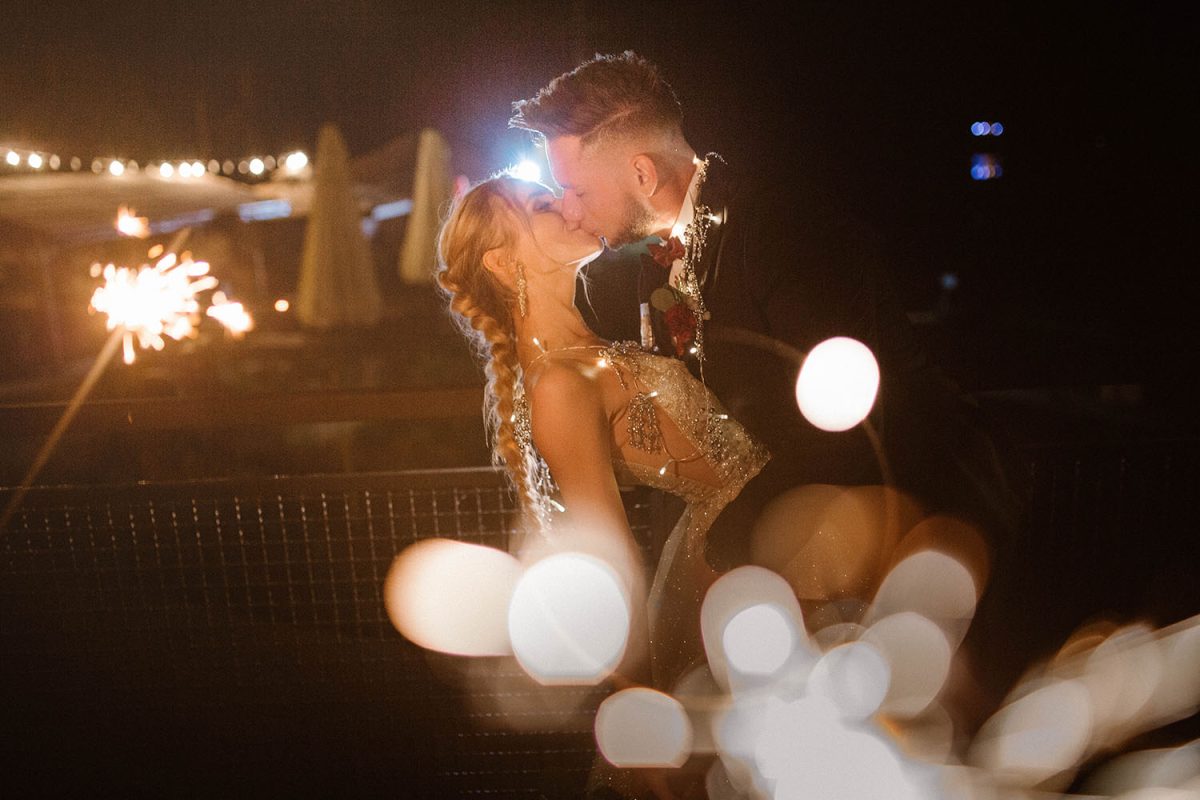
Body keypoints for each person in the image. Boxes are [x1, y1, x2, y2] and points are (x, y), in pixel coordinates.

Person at [509, 51, 1021, 582]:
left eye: (577, 189)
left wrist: (737, 538)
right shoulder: (654, 269)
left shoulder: (780, 224)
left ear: (642, 172)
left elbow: (847, 419)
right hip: (780, 548)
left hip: (912, 528)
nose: (569, 208)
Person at [436, 176, 769, 708]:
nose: (569, 205)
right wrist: (642, 707)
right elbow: (609, 561)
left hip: (756, 529)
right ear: (501, 261)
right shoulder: (558, 386)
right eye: (543, 205)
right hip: (733, 565)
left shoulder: (590, 349)